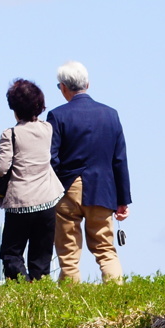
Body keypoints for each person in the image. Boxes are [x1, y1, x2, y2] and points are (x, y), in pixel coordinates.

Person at [47, 61, 131, 283]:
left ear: (64, 87)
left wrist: (52, 189)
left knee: (68, 255)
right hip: (103, 190)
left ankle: (71, 304)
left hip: (67, 189)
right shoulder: (111, 115)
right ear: (87, 84)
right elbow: (119, 159)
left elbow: (51, 158)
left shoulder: (57, 116)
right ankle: (117, 299)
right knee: (105, 249)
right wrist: (123, 200)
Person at [0, 78, 64, 281]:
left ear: (14, 108)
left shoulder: (11, 134)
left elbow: (0, 168)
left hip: (20, 203)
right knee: (41, 256)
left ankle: (20, 289)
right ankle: (39, 290)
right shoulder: (48, 129)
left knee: (11, 253)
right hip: (47, 200)